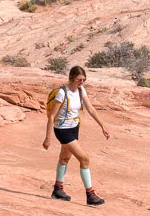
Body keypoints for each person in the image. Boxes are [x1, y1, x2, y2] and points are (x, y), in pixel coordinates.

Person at [43, 65, 109, 204]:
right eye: (79, 79)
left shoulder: (80, 90)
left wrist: (102, 125)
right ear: (72, 78)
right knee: (84, 159)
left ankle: (57, 189)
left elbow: (90, 108)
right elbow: (52, 116)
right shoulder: (62, 92)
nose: (82, 82)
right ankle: (90, 194)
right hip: (62, 130)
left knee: (64, 159)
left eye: (84, 79)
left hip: (74, 127)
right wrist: (47, 138)